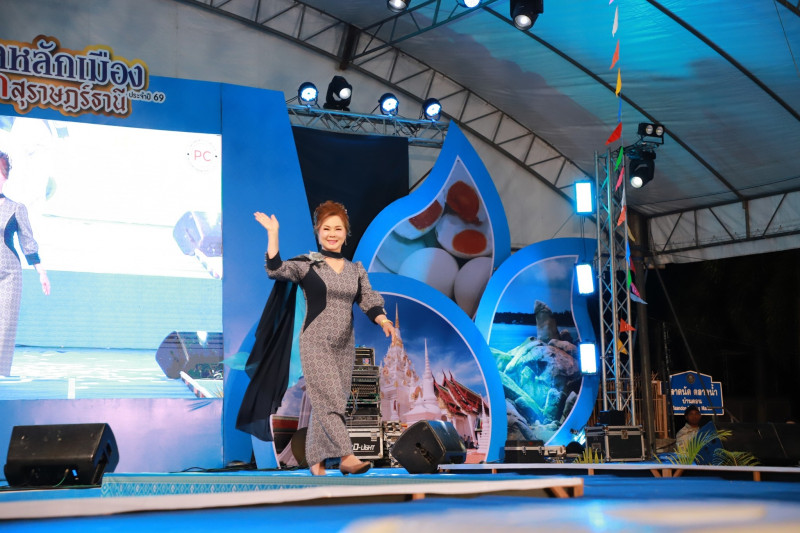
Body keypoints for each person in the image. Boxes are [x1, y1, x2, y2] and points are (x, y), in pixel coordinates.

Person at [255, 201, 397, 476]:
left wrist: (383, 320)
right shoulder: (307, 265)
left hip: (344, 345)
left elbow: (368, 299)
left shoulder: (356, 270)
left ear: (346, 233)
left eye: (338, 228)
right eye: (326, 228)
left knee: (331, 402)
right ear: (318, 232)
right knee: (330, 400)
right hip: (315, 342)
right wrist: (273, 233)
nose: (332, 234)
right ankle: (347, 456)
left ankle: (315, 461)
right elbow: (275, 269)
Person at [0, 150, 51, 377]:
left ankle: (0, 371)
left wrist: (42, 273)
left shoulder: (16, 208)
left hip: (8, 275)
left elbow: (27, 242)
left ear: (5, 177)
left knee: (5, 325)